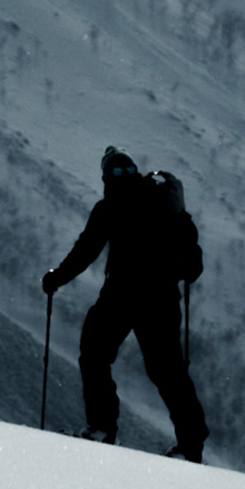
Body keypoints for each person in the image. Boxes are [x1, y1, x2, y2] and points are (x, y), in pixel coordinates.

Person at [43, 148, 210, 462]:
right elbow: (192, 263)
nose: (122, 177)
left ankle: (102, 428)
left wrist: (57, 278)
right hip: (160, 299)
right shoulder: (165, 207)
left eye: (124, 171)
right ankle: (191, 445)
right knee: (168, 371)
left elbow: (86, 250)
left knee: (94, 353)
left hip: (121, 294)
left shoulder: (109, 207)